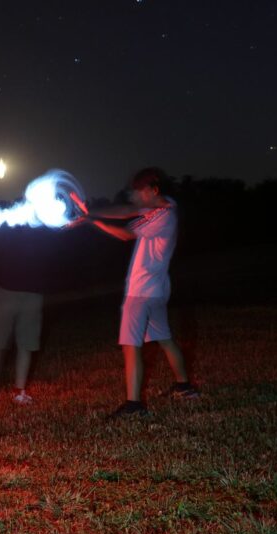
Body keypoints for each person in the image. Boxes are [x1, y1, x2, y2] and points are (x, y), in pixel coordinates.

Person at [75, 168, 199, 417]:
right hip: (157, 289)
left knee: (131, 346)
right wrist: (92, 211)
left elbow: (125, 233)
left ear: (153, 190)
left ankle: (134, 405)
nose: (133, 193)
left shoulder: (161, 217)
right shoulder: (166, 205)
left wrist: (92, 221)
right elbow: (124, 211)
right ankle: (185, 387)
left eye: (137, 189)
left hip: (141, 291)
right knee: (165, 338)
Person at [0, 227, 56, 407]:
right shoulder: (12, 220)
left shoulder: (45, 223)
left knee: (27, 343)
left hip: (33, 292)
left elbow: (52, 250)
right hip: (6, 289)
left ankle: (20, 392)